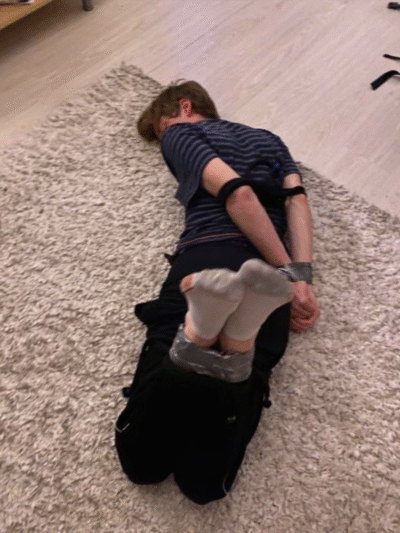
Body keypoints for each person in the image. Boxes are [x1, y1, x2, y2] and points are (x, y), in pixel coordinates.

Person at [115, 81, 320, 505]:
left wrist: (170, 133)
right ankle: (238, 342)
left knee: (142, 464)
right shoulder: (271, 141)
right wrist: (297, 279)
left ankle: (197, 335)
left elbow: (237, 194)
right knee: (207, 485)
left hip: (206, 256)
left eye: (160, 129)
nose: (164, 143)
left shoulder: (180, 132)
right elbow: (296, 203)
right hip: (269, 275)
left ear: (183, 107)